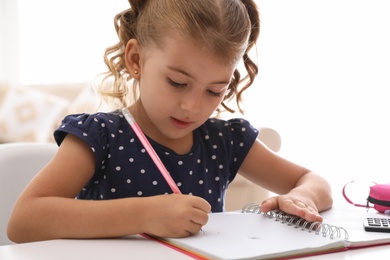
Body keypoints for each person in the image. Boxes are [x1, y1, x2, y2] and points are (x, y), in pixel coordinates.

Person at [7, 0, 332, 243]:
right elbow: (24, 221)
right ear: (136, 60)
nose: (192, 107)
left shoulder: (226, 140)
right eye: (177, 82)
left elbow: (313, 181)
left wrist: (303, 198)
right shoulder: (100, 135)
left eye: (214, 90)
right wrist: (145, 214)